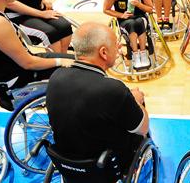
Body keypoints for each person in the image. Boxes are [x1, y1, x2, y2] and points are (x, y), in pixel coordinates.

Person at [46, 22, 149, 171]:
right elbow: (143, 128)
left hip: (66, 164)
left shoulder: (56, 76)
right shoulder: (113, 89)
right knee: (137, 120)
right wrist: (136, 99)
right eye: (116, 44)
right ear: (103, 52)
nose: (119, 46)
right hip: (105, 167)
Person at [103, 0, 154, 70]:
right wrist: (121, 15)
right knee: (131, 23)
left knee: (139, 21)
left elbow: (150, 9)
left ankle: (143, 53)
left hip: (141, 19)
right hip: (124, 22)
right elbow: (105, 9)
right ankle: (135, 54)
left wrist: (139, 4)